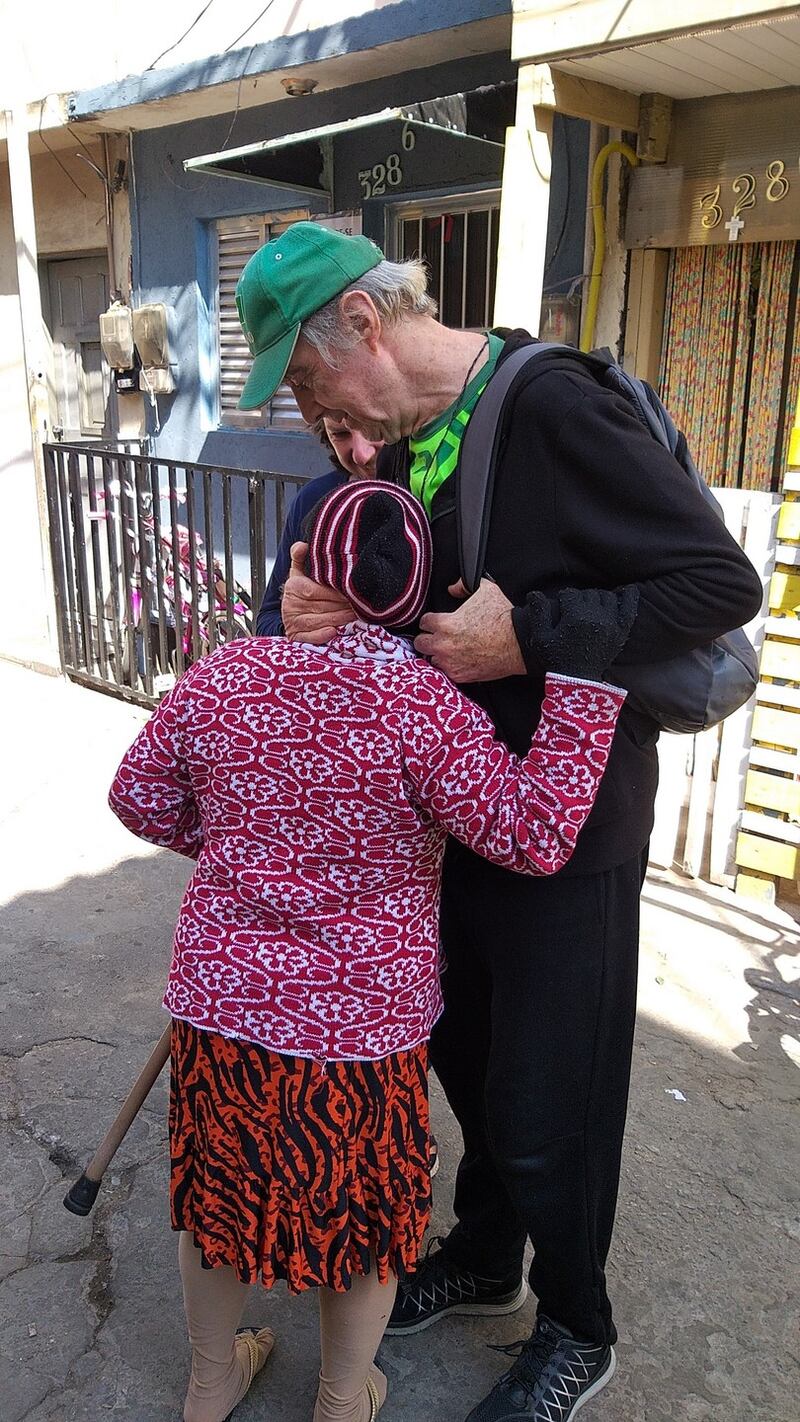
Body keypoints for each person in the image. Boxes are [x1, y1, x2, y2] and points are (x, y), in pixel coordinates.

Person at [233, 221, 764, 1422]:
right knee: (462, 1059)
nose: (313, 405)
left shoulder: (549, 406)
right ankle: (484, 1259)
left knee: (548, 1098)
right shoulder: (411, 442)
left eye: (309, 378)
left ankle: (577, 1322)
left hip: (565, 826)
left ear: (363, 328)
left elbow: (718, 585)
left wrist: (527, 636)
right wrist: (317, 614)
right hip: (448, 819)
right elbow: (423, 614)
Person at [108, 478, 632, 1422]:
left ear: (306, 565)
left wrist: (240, 849)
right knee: (361, 1215)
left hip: (222, 1008)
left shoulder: (222, 676)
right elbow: (534, 833)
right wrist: (586, 684)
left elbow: (139, 799)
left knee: (219, 1195)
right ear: (415, 589)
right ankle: (345, 1398)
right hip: (363, 1033)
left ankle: (209, 1381)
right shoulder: (423, 710)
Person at [255, 417, 382, 635]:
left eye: (375, 428)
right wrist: (294, 626)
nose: (361, 455)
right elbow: (268, 618)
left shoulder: (437, 498)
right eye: (340, 434)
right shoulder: (312, 499)